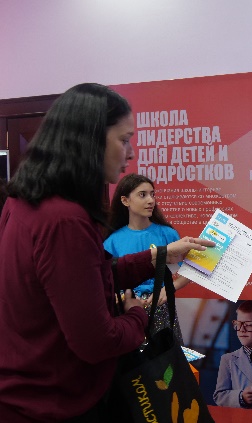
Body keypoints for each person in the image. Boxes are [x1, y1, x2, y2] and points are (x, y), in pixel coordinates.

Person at [0, 83, 214, 423]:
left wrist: (160, 256)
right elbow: (97, 341)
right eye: (124, 139)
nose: (130, 153)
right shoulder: (65, 221)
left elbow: (87, 276)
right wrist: (137, 316)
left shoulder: (24, 202)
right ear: (89, 140)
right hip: (55, 403)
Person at [104, 173, 190, 343]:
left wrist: (169, 289)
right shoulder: (112, 241)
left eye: (152, 194)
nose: (151, 200)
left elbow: (187, 270)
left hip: (161, 309)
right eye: (142, 195)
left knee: (166, 358)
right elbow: (104, 279)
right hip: (127, 311)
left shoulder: (167, 234)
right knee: (131, 357)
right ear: (125, 201)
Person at [213, 301, 252, 411]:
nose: (241, 329)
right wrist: (241, 397)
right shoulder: (228, 360)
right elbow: (219, 396)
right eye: (238, 324)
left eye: (247, 325)